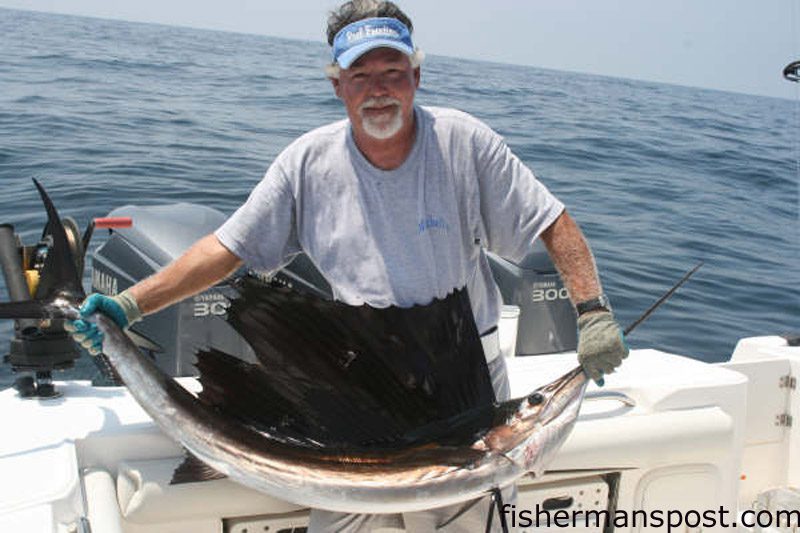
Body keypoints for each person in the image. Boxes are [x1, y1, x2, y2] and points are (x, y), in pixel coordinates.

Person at [68, 1, 628, 531]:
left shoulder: (465, 142)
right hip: (358, 389)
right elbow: (226, 249)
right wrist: (129, 304)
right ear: (337, 87)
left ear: (416, 77)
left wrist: (593, 311)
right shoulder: (306, 163)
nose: (378, 89)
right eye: (360, 76)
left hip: (467, 389)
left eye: (392, 70)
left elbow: (552, 221)